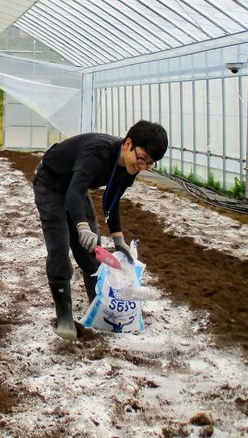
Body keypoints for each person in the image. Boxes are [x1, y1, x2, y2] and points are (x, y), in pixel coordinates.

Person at [32, 120, 168, 340]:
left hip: (76, 186)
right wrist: (82, 226)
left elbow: (112, 199)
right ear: (128, 144)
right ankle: (64, 315)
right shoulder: (98, 153)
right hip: (51, 182)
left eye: (149, 163)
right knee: (59, 246)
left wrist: (118, 238)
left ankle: (98, 308)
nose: (142, 166)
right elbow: (74, 192)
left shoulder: (130, 167)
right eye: (141, 158)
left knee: (92, 251)